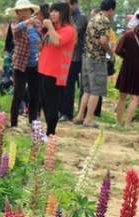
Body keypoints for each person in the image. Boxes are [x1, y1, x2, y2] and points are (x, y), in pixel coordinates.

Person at [74, 0, 115, 128]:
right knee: (96, 91)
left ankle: (80, 116)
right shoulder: (105, 21)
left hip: (86, 57)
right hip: (97, 59)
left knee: (87, 90)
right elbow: (103, 41)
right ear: (111, 10)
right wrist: (110, 52)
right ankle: (89, 119)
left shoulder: (93, 18)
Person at [37, 2, 76, 136]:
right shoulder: (53, 28)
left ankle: (50, 134)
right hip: (43, 69)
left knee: (52, 105)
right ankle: (48, 132)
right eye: (51, 11)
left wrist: (49, 28)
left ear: (63, 13)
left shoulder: (69, 30)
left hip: (55, 73)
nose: (52, 14)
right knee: (44, 103)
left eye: (56, 11)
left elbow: (58, 42)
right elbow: (46, 45)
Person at [6, 0, 42, 130]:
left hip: (36, 64)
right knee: (18, 94)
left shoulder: (37, 24)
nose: (23, 13)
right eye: (20, 11)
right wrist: (26, 23)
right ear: (17, 13)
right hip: (21, 64)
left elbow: (41, 38)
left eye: (26, 10)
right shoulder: (16, 24)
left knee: (34, 95)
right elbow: (15, 30)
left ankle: (33, 122)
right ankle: (14, 123)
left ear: (31, 11)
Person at [58, 0, 87, 122]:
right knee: (63, 84)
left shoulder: (81, 17)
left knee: (70, 85)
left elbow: (74, 33)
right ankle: (62, 110)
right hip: (65, 56)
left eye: (67, 4)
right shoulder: (68, 15)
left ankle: (68, 113)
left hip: (76, 57)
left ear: (74, 4)